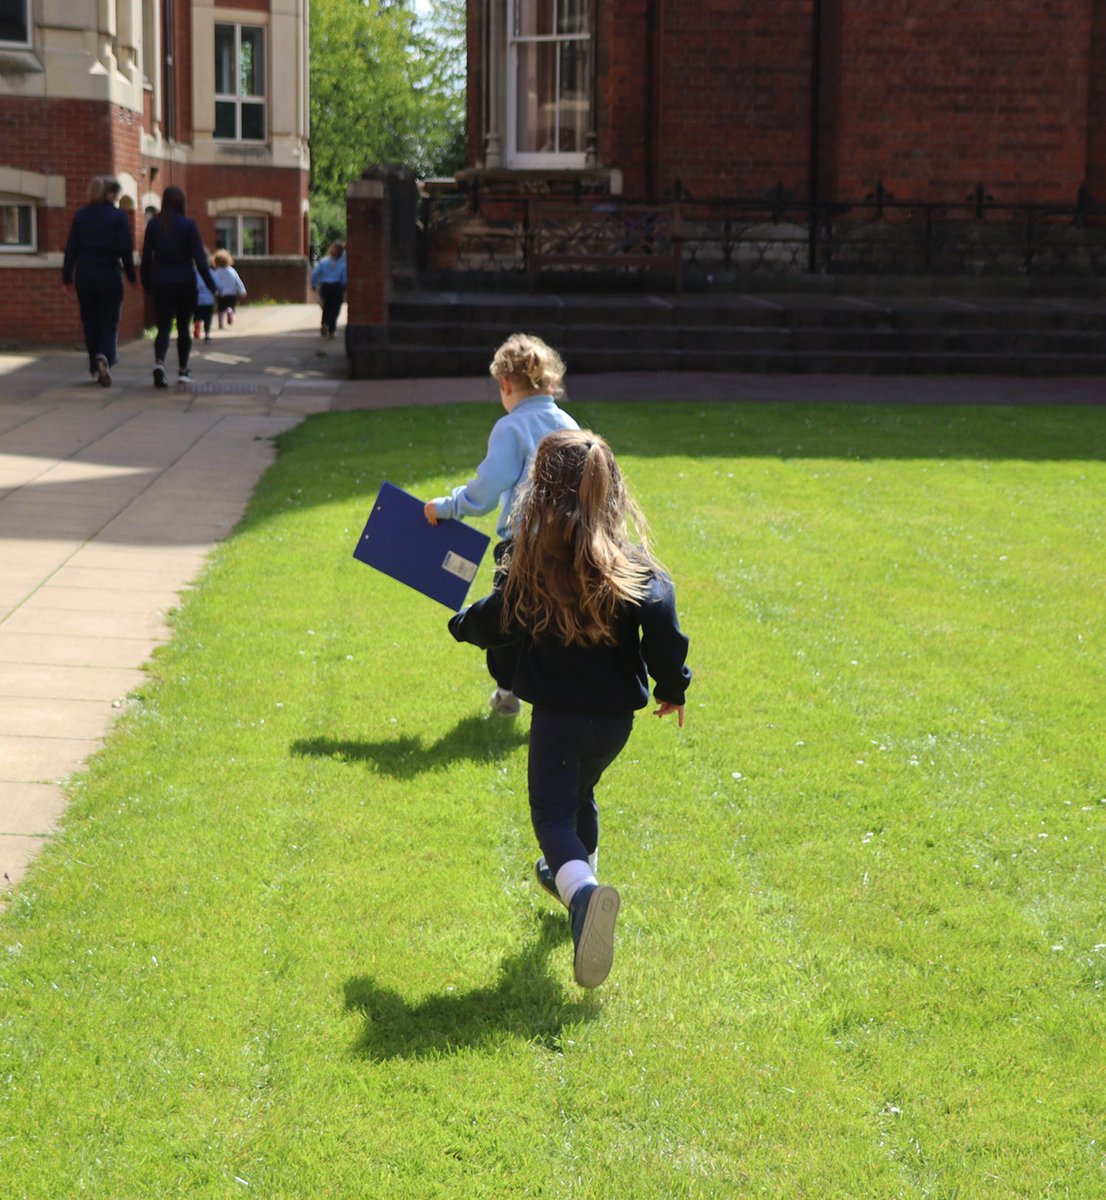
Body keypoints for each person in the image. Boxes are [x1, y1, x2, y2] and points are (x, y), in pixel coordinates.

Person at [447, 429, 692, 988]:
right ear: (609, 491)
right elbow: (665, 630)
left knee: (552, 818)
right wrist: (673, 687)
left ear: (541, 491)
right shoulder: (637, 571)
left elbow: (493, 619)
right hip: (613, 726)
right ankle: (580, 875)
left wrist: (462, 625)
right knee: (579, 796)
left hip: (559, 721)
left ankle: (582, 895)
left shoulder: (534, 569)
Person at [424, 333, 579, 716]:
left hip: (523, 546)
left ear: (506, 385)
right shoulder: (568, 422)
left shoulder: (511, 427)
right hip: (568, 541)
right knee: (557, 619)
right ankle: (559, 694)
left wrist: (447, 507)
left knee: (507, 621)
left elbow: (487, 489)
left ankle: (507, 693)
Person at [61, 176, 136, 387]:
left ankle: (96, 363)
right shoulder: (118, 216)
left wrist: (67, 276)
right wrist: (131, 275)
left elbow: (71, 248)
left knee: (90, 320)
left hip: (85, 274)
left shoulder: (81, 216)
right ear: (108, 194)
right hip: (109, 272)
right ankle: (105, 355)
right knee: (109, 321)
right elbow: (125, 248)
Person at [140, 186, 216, 388]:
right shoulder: (189, 225)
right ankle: (183, 370)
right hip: (185, 283)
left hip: (161, 283)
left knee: (163, 327)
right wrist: (212, 285)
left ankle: (160, 363)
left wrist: (146, 283)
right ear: (182, 202)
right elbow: (200, 259)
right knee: (183, 327)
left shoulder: (154, 225)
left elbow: (146, 258)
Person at [311, 241, 347, 339]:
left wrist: (314, 284)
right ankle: (331, 330)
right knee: (335, 309)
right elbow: (344, 277)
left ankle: (324, 323)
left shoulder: (323, 262)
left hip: (326, 287)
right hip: (337, 287)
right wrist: (344, 287)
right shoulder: (343, 264)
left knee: (326, 307)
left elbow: (315, 274)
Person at [211, 249, 247, 328]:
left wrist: (213, 291)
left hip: (221, 293)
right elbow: (237, 280)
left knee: (220, 308)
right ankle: (229, 311)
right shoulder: (232, 270)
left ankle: (220, 324)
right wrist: (242, 290)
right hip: (232, 293)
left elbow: (214, 281)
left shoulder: (217, 271)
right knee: (230, 305)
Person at [192, 255, 215, 345]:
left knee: (197, 314)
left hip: (196, 298)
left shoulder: (192, 272)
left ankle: (197, 324)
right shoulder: (210, 272)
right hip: (208, 299)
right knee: (207, 318)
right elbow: (217, 283)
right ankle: (207, 334)